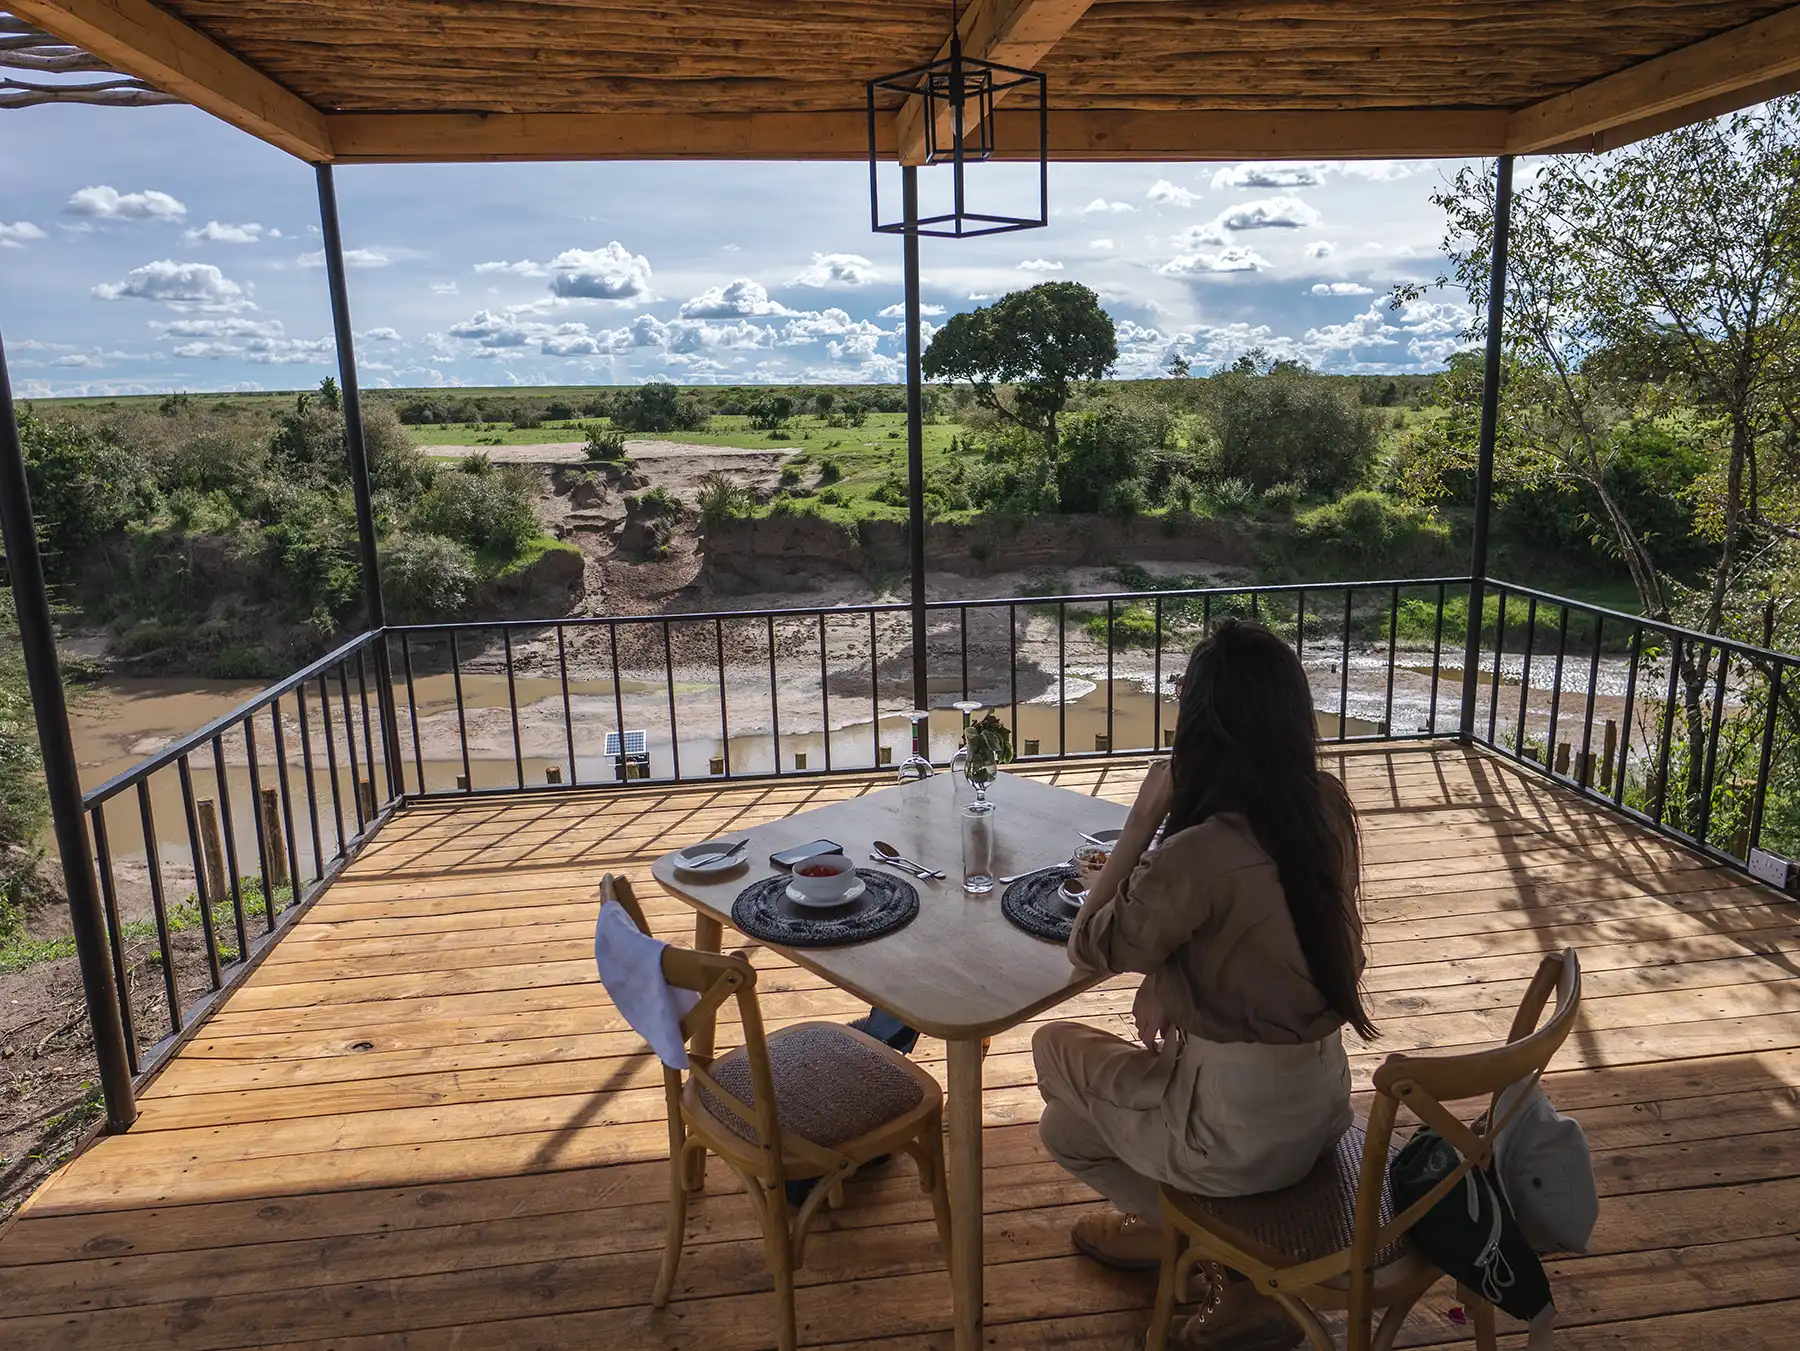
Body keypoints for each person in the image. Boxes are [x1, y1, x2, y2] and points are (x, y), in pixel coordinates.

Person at [1033, 618, 1374, 1351]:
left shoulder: (1197, 852)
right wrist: (1168, 976)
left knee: (1051, 1049)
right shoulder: (1325, 808)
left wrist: (1142, 818)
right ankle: (1184, 1234)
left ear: (1201, 727)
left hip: (1233, 1133)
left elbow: (1088, 946)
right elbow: (1265, 935)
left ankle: (1226, 1261)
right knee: (1063, 1129)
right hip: (1320, 1107)